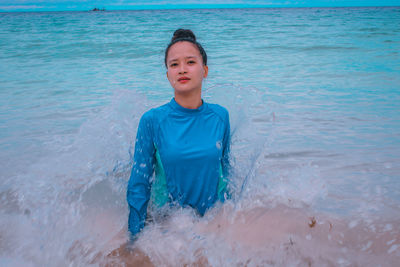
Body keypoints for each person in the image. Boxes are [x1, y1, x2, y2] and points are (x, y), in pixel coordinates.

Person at [127, 29, 231, 239]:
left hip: (211, 224)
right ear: (168, 75)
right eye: (174, 64)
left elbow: (226, 173)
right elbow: (139, 183)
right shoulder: (152, 120)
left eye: (190, 62)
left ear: (205, 70)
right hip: (166, 226)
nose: (182, 69)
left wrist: (228, 221)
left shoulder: (220, 116)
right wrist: (135, 238)